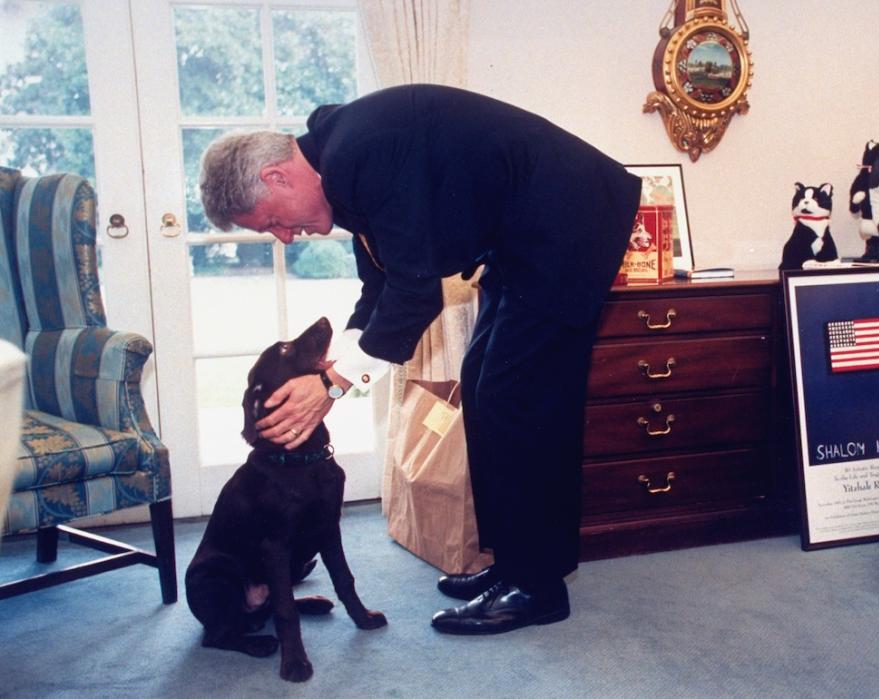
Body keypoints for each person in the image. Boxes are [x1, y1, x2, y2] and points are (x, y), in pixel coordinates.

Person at [199, 84, 641, 636]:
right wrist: (329, 372)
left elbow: (417, 293)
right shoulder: (340, 161)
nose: (285, 238)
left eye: (271, 222)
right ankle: (514, 565)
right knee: (483, 383)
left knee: (519, 399)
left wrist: (334, 385)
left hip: (568, 221)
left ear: (276, 177)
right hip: (523, 235)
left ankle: (538, 587)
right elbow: (380, 284)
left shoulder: (363, 153)